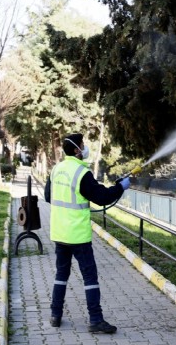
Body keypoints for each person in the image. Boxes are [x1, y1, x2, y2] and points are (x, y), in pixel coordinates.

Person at [44, 133, 130, 334]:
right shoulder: (81, 173)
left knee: (61, 274)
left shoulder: (56, 170)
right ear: (76, 150)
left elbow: (48, 197)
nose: (85, 148)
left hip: (59, 233)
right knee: (90, 277)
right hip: (78, 236)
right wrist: (120, 187)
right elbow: (102, 197)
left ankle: (55, 315)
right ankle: (96, 319)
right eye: (82, 145)